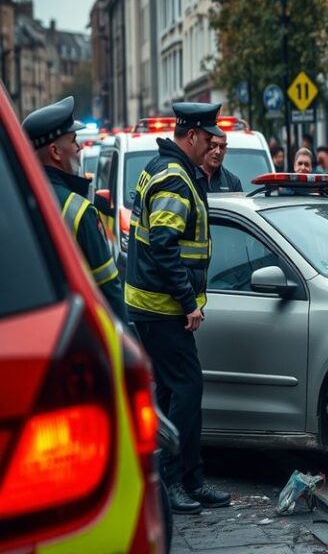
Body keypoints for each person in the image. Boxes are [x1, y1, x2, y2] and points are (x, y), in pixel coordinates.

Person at [125, 102, 231, 515]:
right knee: (187, 389)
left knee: (172, 392)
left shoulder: (168, 169)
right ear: (190, 136)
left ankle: (184, 479)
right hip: (162, 306)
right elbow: (166, 248)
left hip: (154, 305)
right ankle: (176, 481)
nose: (212, 147)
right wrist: (188, 302)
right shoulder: (173, 178)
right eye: (207, 139)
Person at [22, 96, 127, 325]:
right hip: (77, 331)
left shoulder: (16, 203)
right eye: (73, 140)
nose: (79, 147)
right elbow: (109, 288)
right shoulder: (79, 210)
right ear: (56, 152)